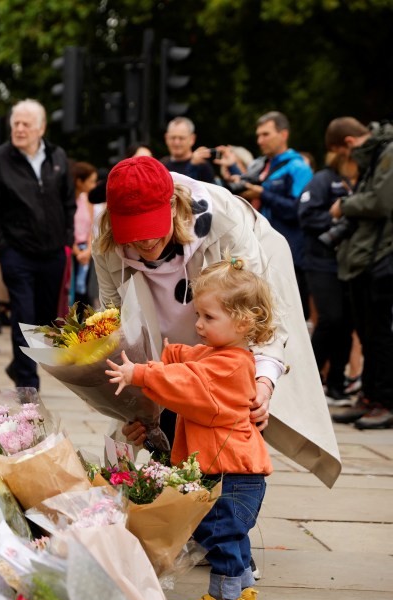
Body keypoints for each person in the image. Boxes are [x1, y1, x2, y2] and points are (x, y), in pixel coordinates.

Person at [93, 156, 340, 487]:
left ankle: (229, 492)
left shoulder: (224, 220)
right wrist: (135, 409)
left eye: (152, 229)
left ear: (173, 205)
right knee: (163, 412)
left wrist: (263, 384)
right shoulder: (106, 244)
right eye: (134, 234)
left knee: (231, 403)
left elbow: (262, 313)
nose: (147, 243)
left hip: (233, 299)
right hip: (169, 337)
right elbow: (118, 328)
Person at [106, 257, 275, 600]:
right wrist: (171, 353)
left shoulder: (229, 365)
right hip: (235, 469)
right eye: (198, 314)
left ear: (243, 322)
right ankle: (244, 592)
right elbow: (193, 358)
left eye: (208, 318)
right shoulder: (227, 355)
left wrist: (141, 372)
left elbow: (189, 384)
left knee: (220, 535)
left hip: (228, 471)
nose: (198, 324)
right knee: (234, 535)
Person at [0, 99, 76, 390]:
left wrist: (67, 240)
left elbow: (68, 203)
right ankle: (27, 384)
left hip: (53, 253)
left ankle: (18, 364)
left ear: (41, 128)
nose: (19, 129)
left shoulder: (58, 156)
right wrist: (3, 249)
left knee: (47, 320)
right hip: (18, 254)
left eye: (26, 124)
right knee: (24, 317)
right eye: (15, 124)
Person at [325, 117, 393, 429]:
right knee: (368, 334)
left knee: (379, 335)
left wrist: (344, 205)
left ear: (349, 144)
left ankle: (384, 402)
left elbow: (381, 202)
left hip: (382, 257)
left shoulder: (388, 152)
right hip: (367, 257)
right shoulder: (379, 154)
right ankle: (370, 396)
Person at [238, 112, 313, 317]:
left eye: (266, 134)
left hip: (288, 250)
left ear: (283, 134)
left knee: (290, 315)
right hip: (259, 248)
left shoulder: (298, 166)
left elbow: (299, 210)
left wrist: (264, 194)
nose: (260, 140)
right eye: (258, 135)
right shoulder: (261, 165)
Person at [298, 151, 356, 404]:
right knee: (329, 319)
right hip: (320, 261)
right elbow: (306, 215)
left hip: (349, 263)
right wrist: (336, 216)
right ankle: (309, 381)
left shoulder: (359, 179)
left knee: (345, 322)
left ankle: (336, 385)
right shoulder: (322, 179)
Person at [68, 161, 98, 311]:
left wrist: (88, 250)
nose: (94, 185)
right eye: (91, 181)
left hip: (86, 250)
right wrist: (76, 251)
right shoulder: (67, 201)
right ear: (80, 181)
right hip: (71, 250)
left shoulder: (87, 200)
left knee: (85, 293)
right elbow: (65, 227)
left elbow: (92, 226)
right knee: (71, 291)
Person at [160, 117, 217, 184]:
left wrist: (193, 166)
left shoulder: (201, 165)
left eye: (181, 138)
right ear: (166, 138)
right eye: (173, 138)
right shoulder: (161, 165)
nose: (176, 142)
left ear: (192, 139)